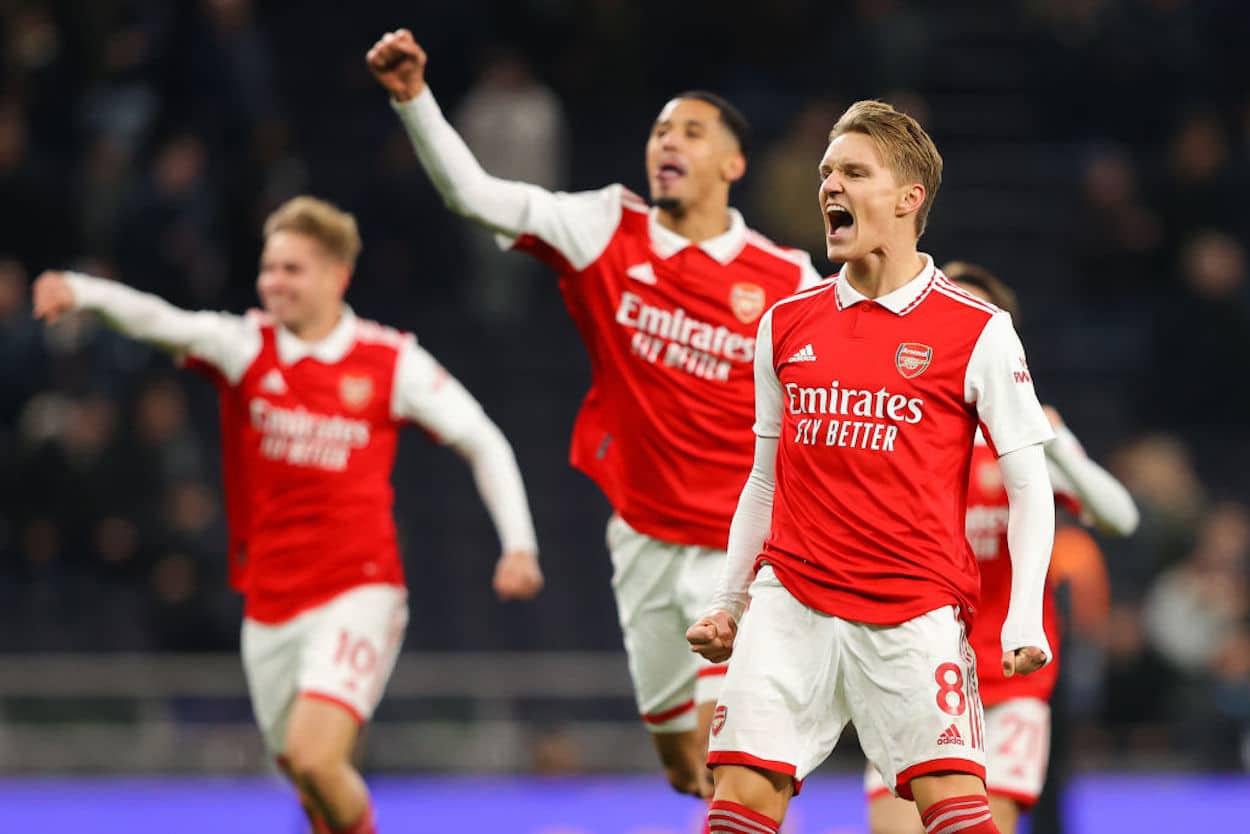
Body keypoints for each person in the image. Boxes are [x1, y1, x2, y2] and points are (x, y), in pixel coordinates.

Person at [366, 28, 823, 799]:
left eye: (690, 131)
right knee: (685, 767)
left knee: (738, 758)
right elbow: (473, 196)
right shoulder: (605, 228)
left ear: (732, 164)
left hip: (743, 550)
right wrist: (414, 99)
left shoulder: (786, 279)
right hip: (642, 536)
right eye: (659, 131)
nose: (666, 143)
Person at [32, 195, 543, 834]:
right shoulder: (245, 346)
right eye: (268, 268)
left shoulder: (389, 360)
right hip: (269, 601)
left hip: (359, 588)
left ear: (336, 276)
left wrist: (518, 546)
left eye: (292, 269)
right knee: (308, 781)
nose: (274, 282)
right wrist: (81, 290)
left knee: (314, 754)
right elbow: (162, 320)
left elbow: (483, 439)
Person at [687, 100, 1056, 834]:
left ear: (908, 198)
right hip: (789, 600)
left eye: (854, 172)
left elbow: (1028, 484)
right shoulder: (785, 324)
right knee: (738, 797)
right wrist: (730, 600)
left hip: (913, 609)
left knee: (953, 809)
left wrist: (1022, 616)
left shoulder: (977, 330)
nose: (831, 186)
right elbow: (763, 478)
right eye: (827, 172)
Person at [864, 262, 1140, 834]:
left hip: (1009, 684)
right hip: (907, 672)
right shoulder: (892, 426)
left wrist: (1058, 442)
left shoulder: (1021, 441)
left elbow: (1120, 517)